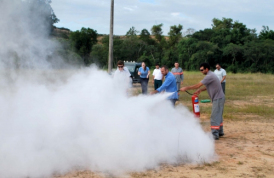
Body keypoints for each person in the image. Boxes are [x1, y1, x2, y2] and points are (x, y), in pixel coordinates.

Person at [180, 63, 225, 140]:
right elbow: (208, 86)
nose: (201, 71)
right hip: (219, 98)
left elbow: (198, 85)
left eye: (202, 70)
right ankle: (220, 131)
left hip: (218, 98)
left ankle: (214, 135)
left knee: (214, 116)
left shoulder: (209, 76)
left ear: (206, 69)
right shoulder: (211, 75)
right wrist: (201, 90)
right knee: (218, 115)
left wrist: (186, 88)